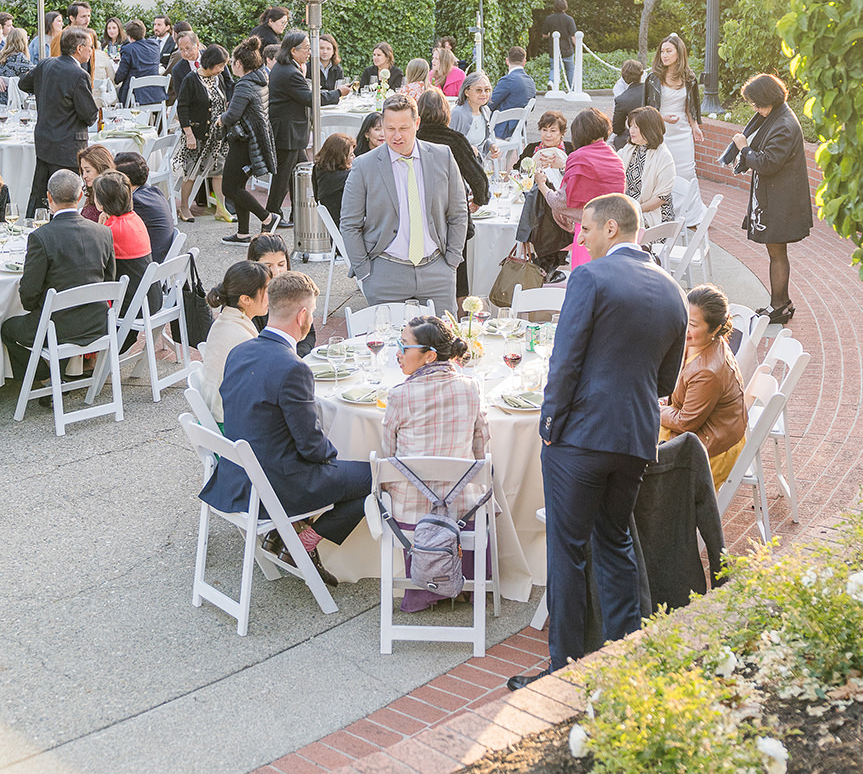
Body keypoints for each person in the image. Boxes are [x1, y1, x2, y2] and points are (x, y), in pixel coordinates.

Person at [508, 193, 688, 688]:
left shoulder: (590, 277)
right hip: (634, 436)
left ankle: (562, 668)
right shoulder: (673, 290)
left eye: (586, 228)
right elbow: (666, 381)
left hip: (579, 438)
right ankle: (626, 658)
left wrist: (549, 424)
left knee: (566, 550)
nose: (581, 238)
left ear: (612, 228)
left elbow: (564, 361)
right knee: (615, 541)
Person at [199, 271, 372, 584]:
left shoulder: (241, 350)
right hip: (274, 488)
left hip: (236, 478)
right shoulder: (293, 367)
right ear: (303, 316)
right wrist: (337, 456)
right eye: (314, 313)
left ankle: (288, 537)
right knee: (380, 478)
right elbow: (312, 446)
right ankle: (302, 544)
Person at [382, 313, 489, 611]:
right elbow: (482, 452)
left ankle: (425, 586)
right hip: (462, 511)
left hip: (411, 513)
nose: (397, 353)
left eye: (404, 347)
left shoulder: (399, 395)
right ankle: (467, 582)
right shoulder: (471, 387)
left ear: (429, 356)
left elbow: (388, 458)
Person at [340, 92, 468, 315]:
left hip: (437, 270)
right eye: (390, 129)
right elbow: (349, 223)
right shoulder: (364, 165)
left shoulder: (442, 156)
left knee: (444, 345)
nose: (396, 136)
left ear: (417, 124)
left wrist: (452, 262)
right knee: (387, 345)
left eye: (404, 128)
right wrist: (364, 271)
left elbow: (458, 213)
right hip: (385, 272)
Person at [0, 169, 117, 392]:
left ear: (49, 197)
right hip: (99, 323)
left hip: (56, 328)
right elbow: (108, 281)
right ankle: (60, 372)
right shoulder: (103, 232)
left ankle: (46, 378)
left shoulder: (41, 237)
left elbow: (28, 296)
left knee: (8, 328)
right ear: (80, 196)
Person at [728, 72, 812, 326]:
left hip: (781, 200)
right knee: (777, 252)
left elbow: (766, 164)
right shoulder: (778, 116)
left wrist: (744, 148)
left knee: (777, 253)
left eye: (756, 103)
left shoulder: (783, 124)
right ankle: (783, 303)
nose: (754, 108)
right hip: (778, 196)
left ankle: (778, 307)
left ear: (769, 99)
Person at [659, 283, 748, 487]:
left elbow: (685, 423)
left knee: (636, 451)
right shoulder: (703, 342)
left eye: (693, 324)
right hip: (698, 425)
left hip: (711, 445)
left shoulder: (708, 371)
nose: (685, 327)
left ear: (715, 329)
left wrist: (655, 409)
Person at [415, 88, 490, 300]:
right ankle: (457, 320)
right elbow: (479, 179)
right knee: (459, 277)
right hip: (452, 215)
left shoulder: (414, 139)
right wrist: (478, 201)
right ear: (445, 112)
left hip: (420, 213)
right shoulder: (454, 140)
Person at [20, 26, 99, 216]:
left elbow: (23, 83)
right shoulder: (79, 75)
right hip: (67, 145)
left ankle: (34, 229)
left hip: (45, 140)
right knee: (65, 199)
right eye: (89, 46)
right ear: (79, 49)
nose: (91, 51)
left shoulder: (45, 64)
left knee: (40, 194)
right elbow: (89, 115)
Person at [535, 107, 626, 270]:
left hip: (588, 233)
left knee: (585, 281)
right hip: (614, 233)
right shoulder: (615, 157)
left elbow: (560, 203)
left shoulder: (578, 157)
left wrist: (542, 186)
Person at [266, 30, 334, 225]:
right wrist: (339, 93)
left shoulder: (286, 67)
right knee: (284, 176)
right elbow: (310, 98)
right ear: (293, 50)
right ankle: (272, 214)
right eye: (306, 48)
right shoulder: (289, 72)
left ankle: (296, 213)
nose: (309, 52)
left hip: (289, 130)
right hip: (288, 131)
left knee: (299, 172)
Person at [219, 39, 278, 244]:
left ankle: (267, 217)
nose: (231, 65)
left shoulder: (244, 84)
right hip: (251, 139)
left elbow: (233, 115)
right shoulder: (259, 79)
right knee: (239, 186)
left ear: (239, 64)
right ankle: (243, 233)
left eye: (233, 61)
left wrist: (221, 119)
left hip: (244, 141)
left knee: (229, 188)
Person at [644, 34, 706, 227]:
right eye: (662, 51)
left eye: (669, 51)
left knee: (687, 171)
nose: (664, 55)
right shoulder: (653, 78)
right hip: (661, 131)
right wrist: (662, 117)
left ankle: (692, 216)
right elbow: (646, 109)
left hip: (682, 132)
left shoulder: (690, 78)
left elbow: (692, 106)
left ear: (679, 53)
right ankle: (665, 214)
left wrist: (695, 126)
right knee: (664, 173)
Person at [200, 260, 270, 422]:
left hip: (217, 416)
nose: (271, 295)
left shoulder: (225, 320)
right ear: (246, 299)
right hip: (231, 424)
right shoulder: (241, 337)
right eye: (266, 290)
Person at [93, 170, 156, 330]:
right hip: (151, 298)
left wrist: (100, 229)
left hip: (131, 307)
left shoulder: (111, 230)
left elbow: (94, 264)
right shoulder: (135, 218)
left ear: (100, 203)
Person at [175, 43, 231, 222]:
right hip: (196, 133)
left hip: (217, 134)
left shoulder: (218, 79)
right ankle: (184, 207)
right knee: (191, 172)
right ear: (209, 63)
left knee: (218, 172)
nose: (222, 70)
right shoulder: (191, 79)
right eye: (219, 66)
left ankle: (220, 209)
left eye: (224, 66)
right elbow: (182, 107)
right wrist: (188, 134)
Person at [246, 231, 316, 356]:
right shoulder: (247, 298)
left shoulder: (292, 287)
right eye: (268, 266)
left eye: (281, 264)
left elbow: (309, 334)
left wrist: (295, 355)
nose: (276, 272)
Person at [617, 106, 676, 227]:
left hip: (654, 214)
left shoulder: (663, 156)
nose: (631, 131)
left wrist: (635, 210)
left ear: (649, 129)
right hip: (629, 208)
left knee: (615, 226)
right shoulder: (631, 148)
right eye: (631, 126)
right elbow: (613, 167)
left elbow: (661, 198)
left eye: (636, 127)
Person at [114, 152, 175, 264]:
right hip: (161, 258)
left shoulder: (136, 201)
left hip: (150, 263)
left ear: (124, 180)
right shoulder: (153, 191)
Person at [115, 20, 167, 106]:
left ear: (129, 36)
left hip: (134, 97)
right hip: (155, 94)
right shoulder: (155, 45)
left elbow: (121, 75)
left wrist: (115, 79)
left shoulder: (128, 49)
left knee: (114, 93)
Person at [449, 71, 496, 164]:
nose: (483, 94)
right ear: (466, 92)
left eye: (487, 90)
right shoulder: (457, 114)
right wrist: (467, 148)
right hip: (459, 167)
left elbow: (482, 140)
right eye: (478, 90)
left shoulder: (485, 111)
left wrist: (491, 145)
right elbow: (447, 143)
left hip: (477, 164)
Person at [488, 46, 535, 138]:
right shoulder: (530, 81)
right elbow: (532, 107)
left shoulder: (507, 80)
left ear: (507, 61)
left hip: (501, 129)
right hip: (520, 129)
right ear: (524, 62)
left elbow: (490, 104)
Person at [312, 132, 355, 228]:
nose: (354, 157)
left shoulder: (319, 169)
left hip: (335, 228)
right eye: (351, 155)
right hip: (348, 228)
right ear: (341, 157)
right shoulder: (347, 178)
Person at [541, 0, 576, 90]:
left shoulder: (549, 19)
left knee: (554, 68)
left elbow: (544, 35)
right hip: (567, 49)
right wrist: (578, 47)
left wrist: (549, 34)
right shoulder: (569, 19)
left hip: (554, 49)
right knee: (570, 69)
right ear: (565, 6)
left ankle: (551, 81)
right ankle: (571, 89)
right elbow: (573, 36)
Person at [611, 60, 646, 149]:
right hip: (655, 132)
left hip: (636, 136)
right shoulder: (650, 90)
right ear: (641, 74)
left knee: (618, 139)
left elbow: (617, 128)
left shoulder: (621, 99)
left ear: (623, 76)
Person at [78, 143, 117, 222]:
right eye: (82, 171)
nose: (84, 176)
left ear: (101, 168)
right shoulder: (92, 193)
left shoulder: (111, 200)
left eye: (88, 171)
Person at [167, 31, 200, 105]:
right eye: (181, 50)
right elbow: (181, 98)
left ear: (197, 45)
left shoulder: (211, 57)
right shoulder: (177, 70)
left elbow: (228, 82)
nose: (186, 53)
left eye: (188, 48)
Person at [0, 26, 31, 97]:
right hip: (12, 101)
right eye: (27, 38)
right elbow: (37, 72)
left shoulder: (2, 56)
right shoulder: (20, 58)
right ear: (22, 41)